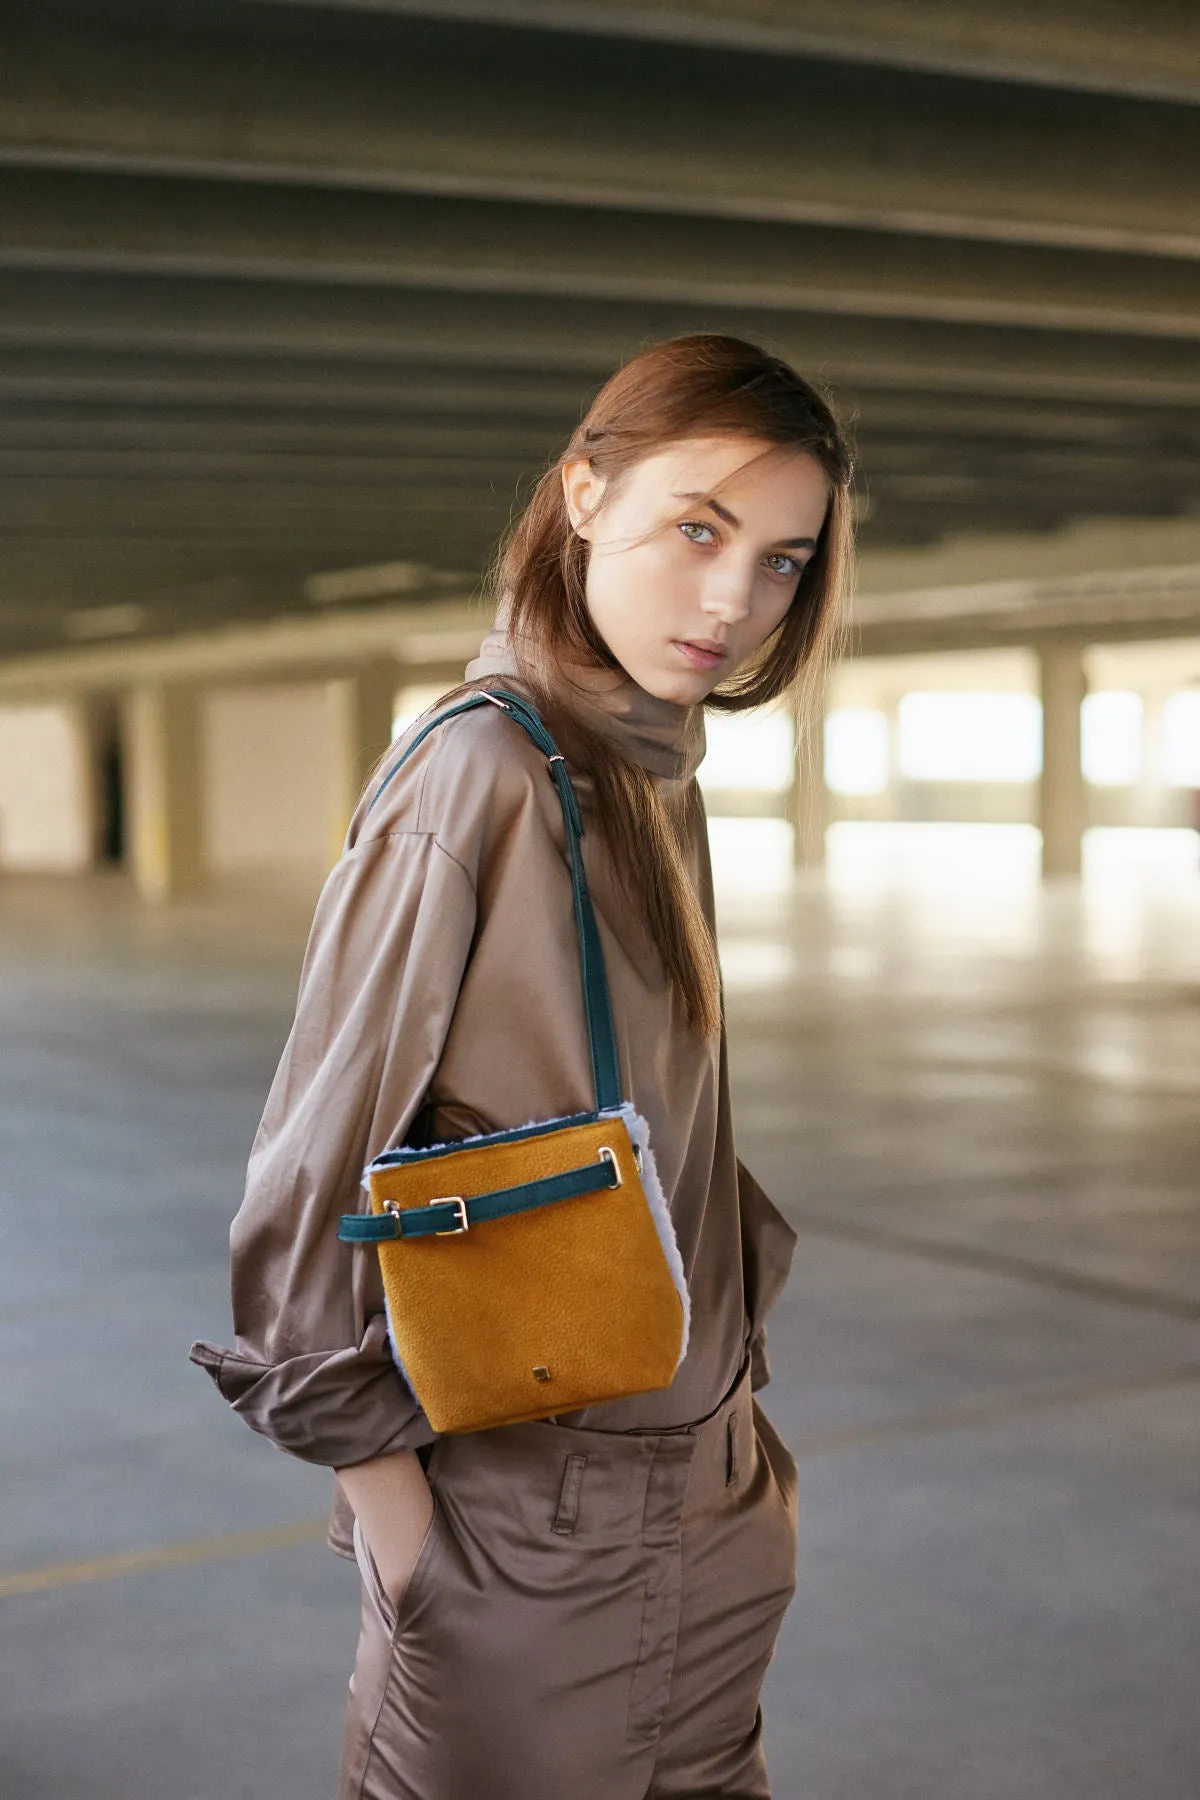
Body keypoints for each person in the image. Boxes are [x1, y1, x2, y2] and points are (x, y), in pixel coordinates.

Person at [191, 332, 854, 1800]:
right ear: (581, 494)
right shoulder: (478, 773)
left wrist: (733, 1467)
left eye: (783, 561)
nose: (734, 597)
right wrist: (414, 1546)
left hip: (710, 1500)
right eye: (700, 527)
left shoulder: (645, 770)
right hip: (525, 1547)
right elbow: (307, 1197)